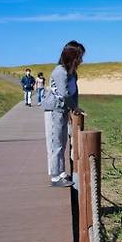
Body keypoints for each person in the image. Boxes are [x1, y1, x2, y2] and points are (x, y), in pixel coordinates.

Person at [41, 41, 86, 187]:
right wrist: (75, 108)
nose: (81, 60)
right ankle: (55, 176)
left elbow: (74, 92)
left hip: (63, 110)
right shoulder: (60, 71)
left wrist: (75, 107)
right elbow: (65, 94)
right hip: (54, 110)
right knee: (56, 143)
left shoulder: (73, 73)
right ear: (72, 57)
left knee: (62, 142)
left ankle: (60, 172)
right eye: (79, 56)